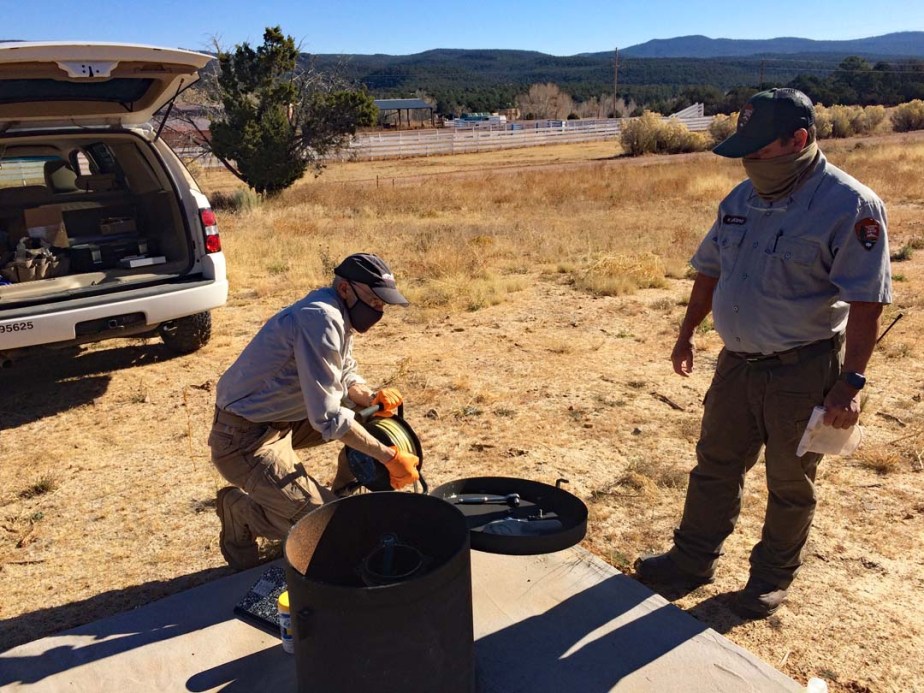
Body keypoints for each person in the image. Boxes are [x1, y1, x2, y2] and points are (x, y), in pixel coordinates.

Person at [634, 88, 892, 618]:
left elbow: (868, 303)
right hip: (736, 364)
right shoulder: (740, 199)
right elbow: (711, 269)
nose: (750, 161)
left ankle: (770, 580)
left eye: (759, 149)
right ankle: (691, 561)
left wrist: (852, 383)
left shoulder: (850, 205)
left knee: (790, 482)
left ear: (799, 139)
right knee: (714, 467)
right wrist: (687, 333)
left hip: (803, 369)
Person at [209, 253, 420, 569]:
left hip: (284, 422)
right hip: (243, 441)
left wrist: (369, 396)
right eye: (374, 301)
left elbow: (345, 373)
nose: (379, 310)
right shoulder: (320, 318)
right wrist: (388, 456)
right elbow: (329, 418)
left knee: (366, 412)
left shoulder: (338, 314)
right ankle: (242, 512)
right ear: (346, 289)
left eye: (382, 304)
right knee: (324, 530)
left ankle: (345, 489)